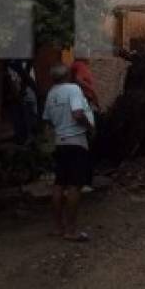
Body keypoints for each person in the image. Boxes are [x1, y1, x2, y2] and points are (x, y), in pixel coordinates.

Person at [42, 64, 95, 242]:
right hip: (76, 142)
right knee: (75, 186)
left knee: (59, 185)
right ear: (68, 77)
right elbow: (78, 113)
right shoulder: (73, 89)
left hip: (60, 142)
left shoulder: (51, 93)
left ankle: (58, 227)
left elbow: (47, 121)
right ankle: (71, 230)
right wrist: (90, 127)